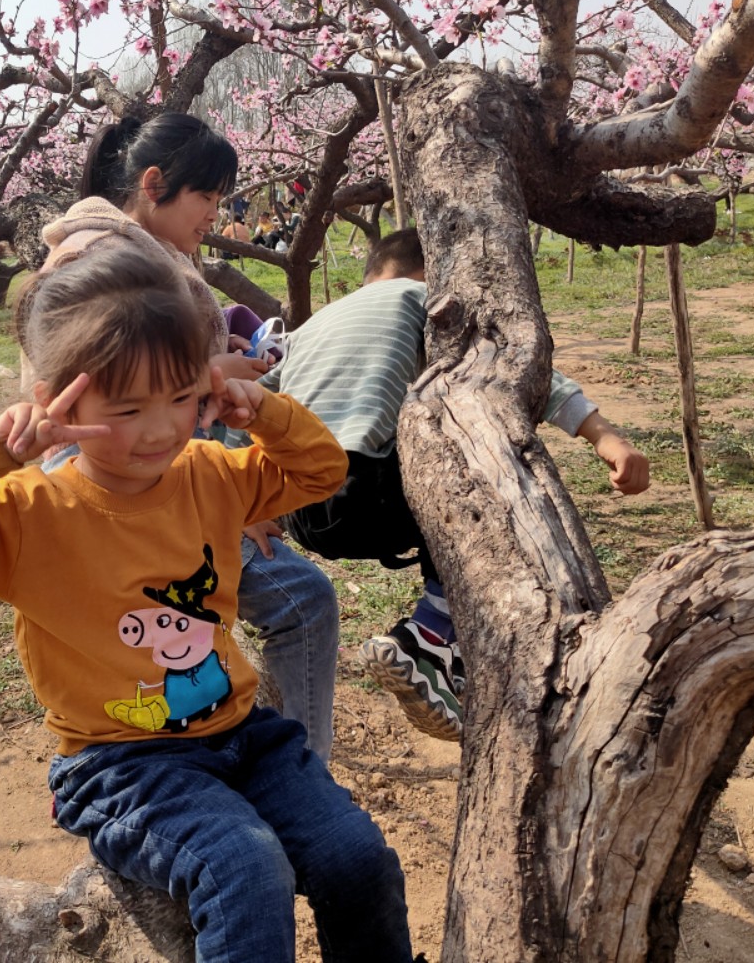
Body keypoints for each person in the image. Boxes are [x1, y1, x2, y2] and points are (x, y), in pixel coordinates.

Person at [0, 246, 412, 963]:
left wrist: (266, 412)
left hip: (246, 736)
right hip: (121, 764)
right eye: (127, 409)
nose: (160, 429)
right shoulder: (26, 515)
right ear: (57, 401)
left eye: (184, 398)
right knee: (244, 868)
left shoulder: (211, 472)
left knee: (356, 856)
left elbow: (320, 470)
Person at [229, 227, 650, 741]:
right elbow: (519, 373)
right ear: (432, 278)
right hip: (358, 488)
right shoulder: (424, 302)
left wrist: (248, 507)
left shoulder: (309, 328)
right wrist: (607, 439)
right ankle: (428, 633)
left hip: (299, 510)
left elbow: (244, 399)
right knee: (475, 482)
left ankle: (447, 653)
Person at [33, 112, 343, 762]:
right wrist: (219, 380)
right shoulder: (107, 257)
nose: (215, 213)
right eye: (206, 196)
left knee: (190, 630)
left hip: (154, 466)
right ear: (154, 183)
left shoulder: (128, 251)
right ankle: (298, 768)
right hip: (127, 474)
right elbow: (125, 394)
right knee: (300, 601)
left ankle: (236, 748)